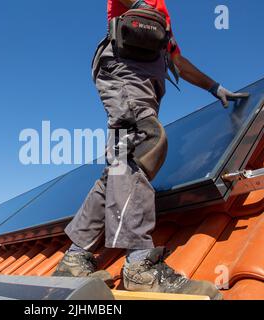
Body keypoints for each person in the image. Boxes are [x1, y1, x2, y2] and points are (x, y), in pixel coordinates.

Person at [53, 0, 248, 300]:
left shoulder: (163, 23)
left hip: (142, 72)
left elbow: (177, 61)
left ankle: (75, 258)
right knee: (143, 142)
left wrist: (214, 87)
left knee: (120, 167)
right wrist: (141, 4)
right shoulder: (144, 7)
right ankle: (139, 265)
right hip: (127, 61)